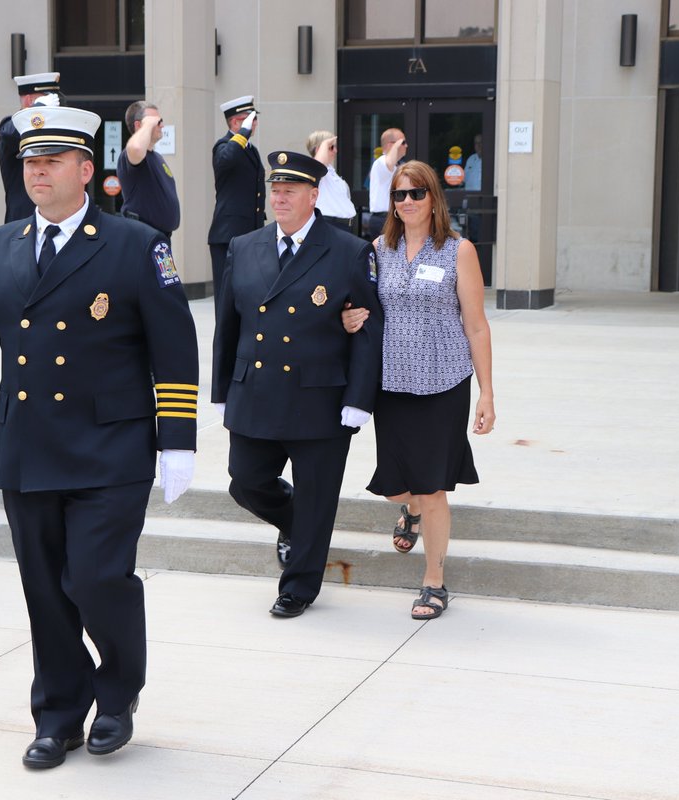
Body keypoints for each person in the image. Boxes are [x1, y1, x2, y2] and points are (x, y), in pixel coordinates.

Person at [0, 105, 199, 768]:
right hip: (28, 446)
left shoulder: (135, 243)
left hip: (110, 448)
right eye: (28, 161)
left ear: (85, 170)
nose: (36, 171)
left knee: (98, 579)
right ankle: (58, 714)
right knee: (45, 589)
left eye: (50, 161)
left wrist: (178, 438)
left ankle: (117, 693)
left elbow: (174, 344)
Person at [211, 149, 383, 618]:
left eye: (290, 190)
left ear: (314, 195)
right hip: (256, 390)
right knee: (245, 482)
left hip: (319, 397)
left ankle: (299, 587)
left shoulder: (349, 250)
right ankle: (297, 526)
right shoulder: (245, 246)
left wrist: (359, 400)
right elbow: (227, 325)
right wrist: (222, 388)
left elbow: (368, 328)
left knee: (318, 494)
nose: (280, 197)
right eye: (275, 189)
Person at [342, 161, 495, 619]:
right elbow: (361, 311)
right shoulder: (376, 250)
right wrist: (350, 319)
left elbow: (477, 326)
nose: (406, 202)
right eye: (399, 195)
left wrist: (487, 393)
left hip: (443, 382)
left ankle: (434, 581)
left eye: (416, 194)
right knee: (396, 486)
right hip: (391, 385)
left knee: (432, 488)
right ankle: (406, 509)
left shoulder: (458, 250)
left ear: (434, 199)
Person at [209, 95, 265, 303]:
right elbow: (226, 160)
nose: (255, 124)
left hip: (249, 233)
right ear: (235, 122)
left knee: (246, 294)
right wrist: (242, 133)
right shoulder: (223, 145)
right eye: (250, 119)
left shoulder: (251, 150)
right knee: (226, 297)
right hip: (228, 234)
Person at [0, 72, 63, 223]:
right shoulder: (9, 127)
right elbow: (10, 132)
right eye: (46, 97)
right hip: (24, 219)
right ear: (29, 100)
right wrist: (39, 108)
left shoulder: (52, 127)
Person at [117, 100, 180, 236]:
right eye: (156, 121)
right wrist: (147, 125)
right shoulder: (130, 154)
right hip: (141, 236)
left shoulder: (156, 157)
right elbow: (137, 147)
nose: (162, 125)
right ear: (138, 125)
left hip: (160, 236)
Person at [306, 130, 357, 232]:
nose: (335, 151)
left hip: (344, 226)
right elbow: (318, 165)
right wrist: (325, 144)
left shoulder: (330, 172)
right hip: (330, 224)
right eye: (331, 147)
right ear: (319, 149)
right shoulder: (314, 169)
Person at [366, 128, 407, 239]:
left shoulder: (397, 165)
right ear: (390, 145)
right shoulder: (381, 161)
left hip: (394, 217)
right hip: (384, 219)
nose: (406, 146)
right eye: (403, 142)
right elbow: (389, 163)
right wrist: (396, 146)